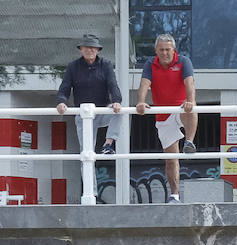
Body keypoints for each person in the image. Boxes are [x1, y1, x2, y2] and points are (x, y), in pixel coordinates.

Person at [136, 33, 198, 204]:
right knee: (171, 160)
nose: (164, 53)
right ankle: (174, 196)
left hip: (180, 108)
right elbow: (144, 85)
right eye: (161, 50)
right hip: (163, 115)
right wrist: (141, 102)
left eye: (167, 50)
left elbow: (190, 83)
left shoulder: (184, 61)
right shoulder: (150, 64)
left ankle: (189, 141)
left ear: (174, 50)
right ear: (156, 50)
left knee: (191, 109)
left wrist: (191, 101)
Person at [56, 34, 125, 156]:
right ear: (81, 49)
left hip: (102, 110)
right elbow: (64, 87)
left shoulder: (106, 64)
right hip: (83, 114)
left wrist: (116, 101)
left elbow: (113, 85)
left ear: (98, 50)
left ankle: (108, 143)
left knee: (119, 111)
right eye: (86, 47)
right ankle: (88, 176)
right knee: (86, 153)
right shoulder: (73, 66)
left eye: (93, 47)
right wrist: (61, 102)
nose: (90, 50)